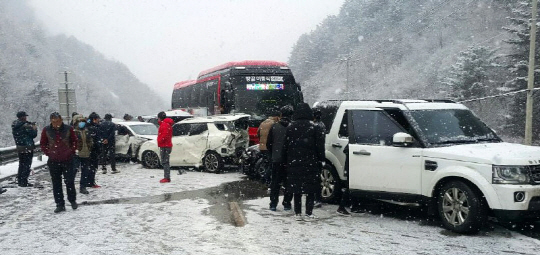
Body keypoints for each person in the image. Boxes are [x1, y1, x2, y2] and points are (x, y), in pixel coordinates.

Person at [283, 103, 325, 221]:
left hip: (294, 162)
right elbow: (319, 146)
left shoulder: (290, 128)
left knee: (297, 188)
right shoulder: (315, 128)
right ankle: (309, 212)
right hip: (310, 162)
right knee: (311, 188)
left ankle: (297, 212)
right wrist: (321, 159)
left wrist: (285, 160)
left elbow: (285, 146)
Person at [40, 112, 78, 213]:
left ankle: (72, 200)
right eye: (53, 121)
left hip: (68, 160)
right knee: (56, 183)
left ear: (61, 120)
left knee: (69, 181)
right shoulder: (46, 130)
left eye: (57, 121)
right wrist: (48, 153)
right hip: (53, 161)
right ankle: (59, 204)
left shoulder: (68, 129)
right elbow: (43, 143)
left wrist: (71, 151)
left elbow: (75, 141)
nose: (55, 123)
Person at [266, 105, 294, 211]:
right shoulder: (293, 127)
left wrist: (273, 154)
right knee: (289, 183)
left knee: (275, 183)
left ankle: (273, 203)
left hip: (276, 159)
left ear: (281, 115)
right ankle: (287, 203)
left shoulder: (274, 127)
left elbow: (269, 144)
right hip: (290, 160)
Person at [12, 111, 38, 187]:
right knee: (27, 165)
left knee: (22, 164)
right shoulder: (26, 125)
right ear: (23, 117)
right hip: (28, 147)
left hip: (20, 147)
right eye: (25, 116)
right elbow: (34, 135)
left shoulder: (14, 125)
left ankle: (20, 180)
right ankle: (24, 181)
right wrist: (34, 127)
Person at [73, 115, 93, 195]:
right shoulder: (74, 132)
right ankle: (71, 186)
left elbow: (90, 140)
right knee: (74, 170)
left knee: (85, 171)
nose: (82, 124)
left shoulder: (87, 131)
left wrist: (90, 147)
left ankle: (83, 187)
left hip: (86, 154)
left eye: (83, 122)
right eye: (80, 122)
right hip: (77, 154)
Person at [313, 108, 326, 208]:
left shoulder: (316, 126)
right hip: (319, 155)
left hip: (315, 155)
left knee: (314, 178)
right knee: (317, 178)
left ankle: (316, 198)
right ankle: (318, 198)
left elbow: (317, 143)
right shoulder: (322, 125)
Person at [157, 111, 174, 183]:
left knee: (165, 162)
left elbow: (164, 135)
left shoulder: (164, 125)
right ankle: (167, 177)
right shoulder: (167, 124)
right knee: (165, 161)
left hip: (164, 145)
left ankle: (166, 177)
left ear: (160, 118)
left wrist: (159, 140)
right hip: (167, 145)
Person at [87, 112, 101, 188]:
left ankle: (89, 181)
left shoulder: (86, 126)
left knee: (89, 167)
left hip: (88, 151)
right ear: (94, 119)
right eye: (97, 119)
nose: (98, 120)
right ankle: (91, 182)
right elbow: (95, 141)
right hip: (93, 151)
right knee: (93, 167)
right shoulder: (93, 128)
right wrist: (98, 149)